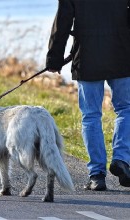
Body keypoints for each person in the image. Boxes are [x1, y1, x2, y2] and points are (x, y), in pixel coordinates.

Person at [46, 0, 130, 190]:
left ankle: (97, 175)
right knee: (126, 109)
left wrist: (54, 58)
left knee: (91, 115)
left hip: (88, 57)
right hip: (122, 53)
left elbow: (63, 21)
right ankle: (122, 159)